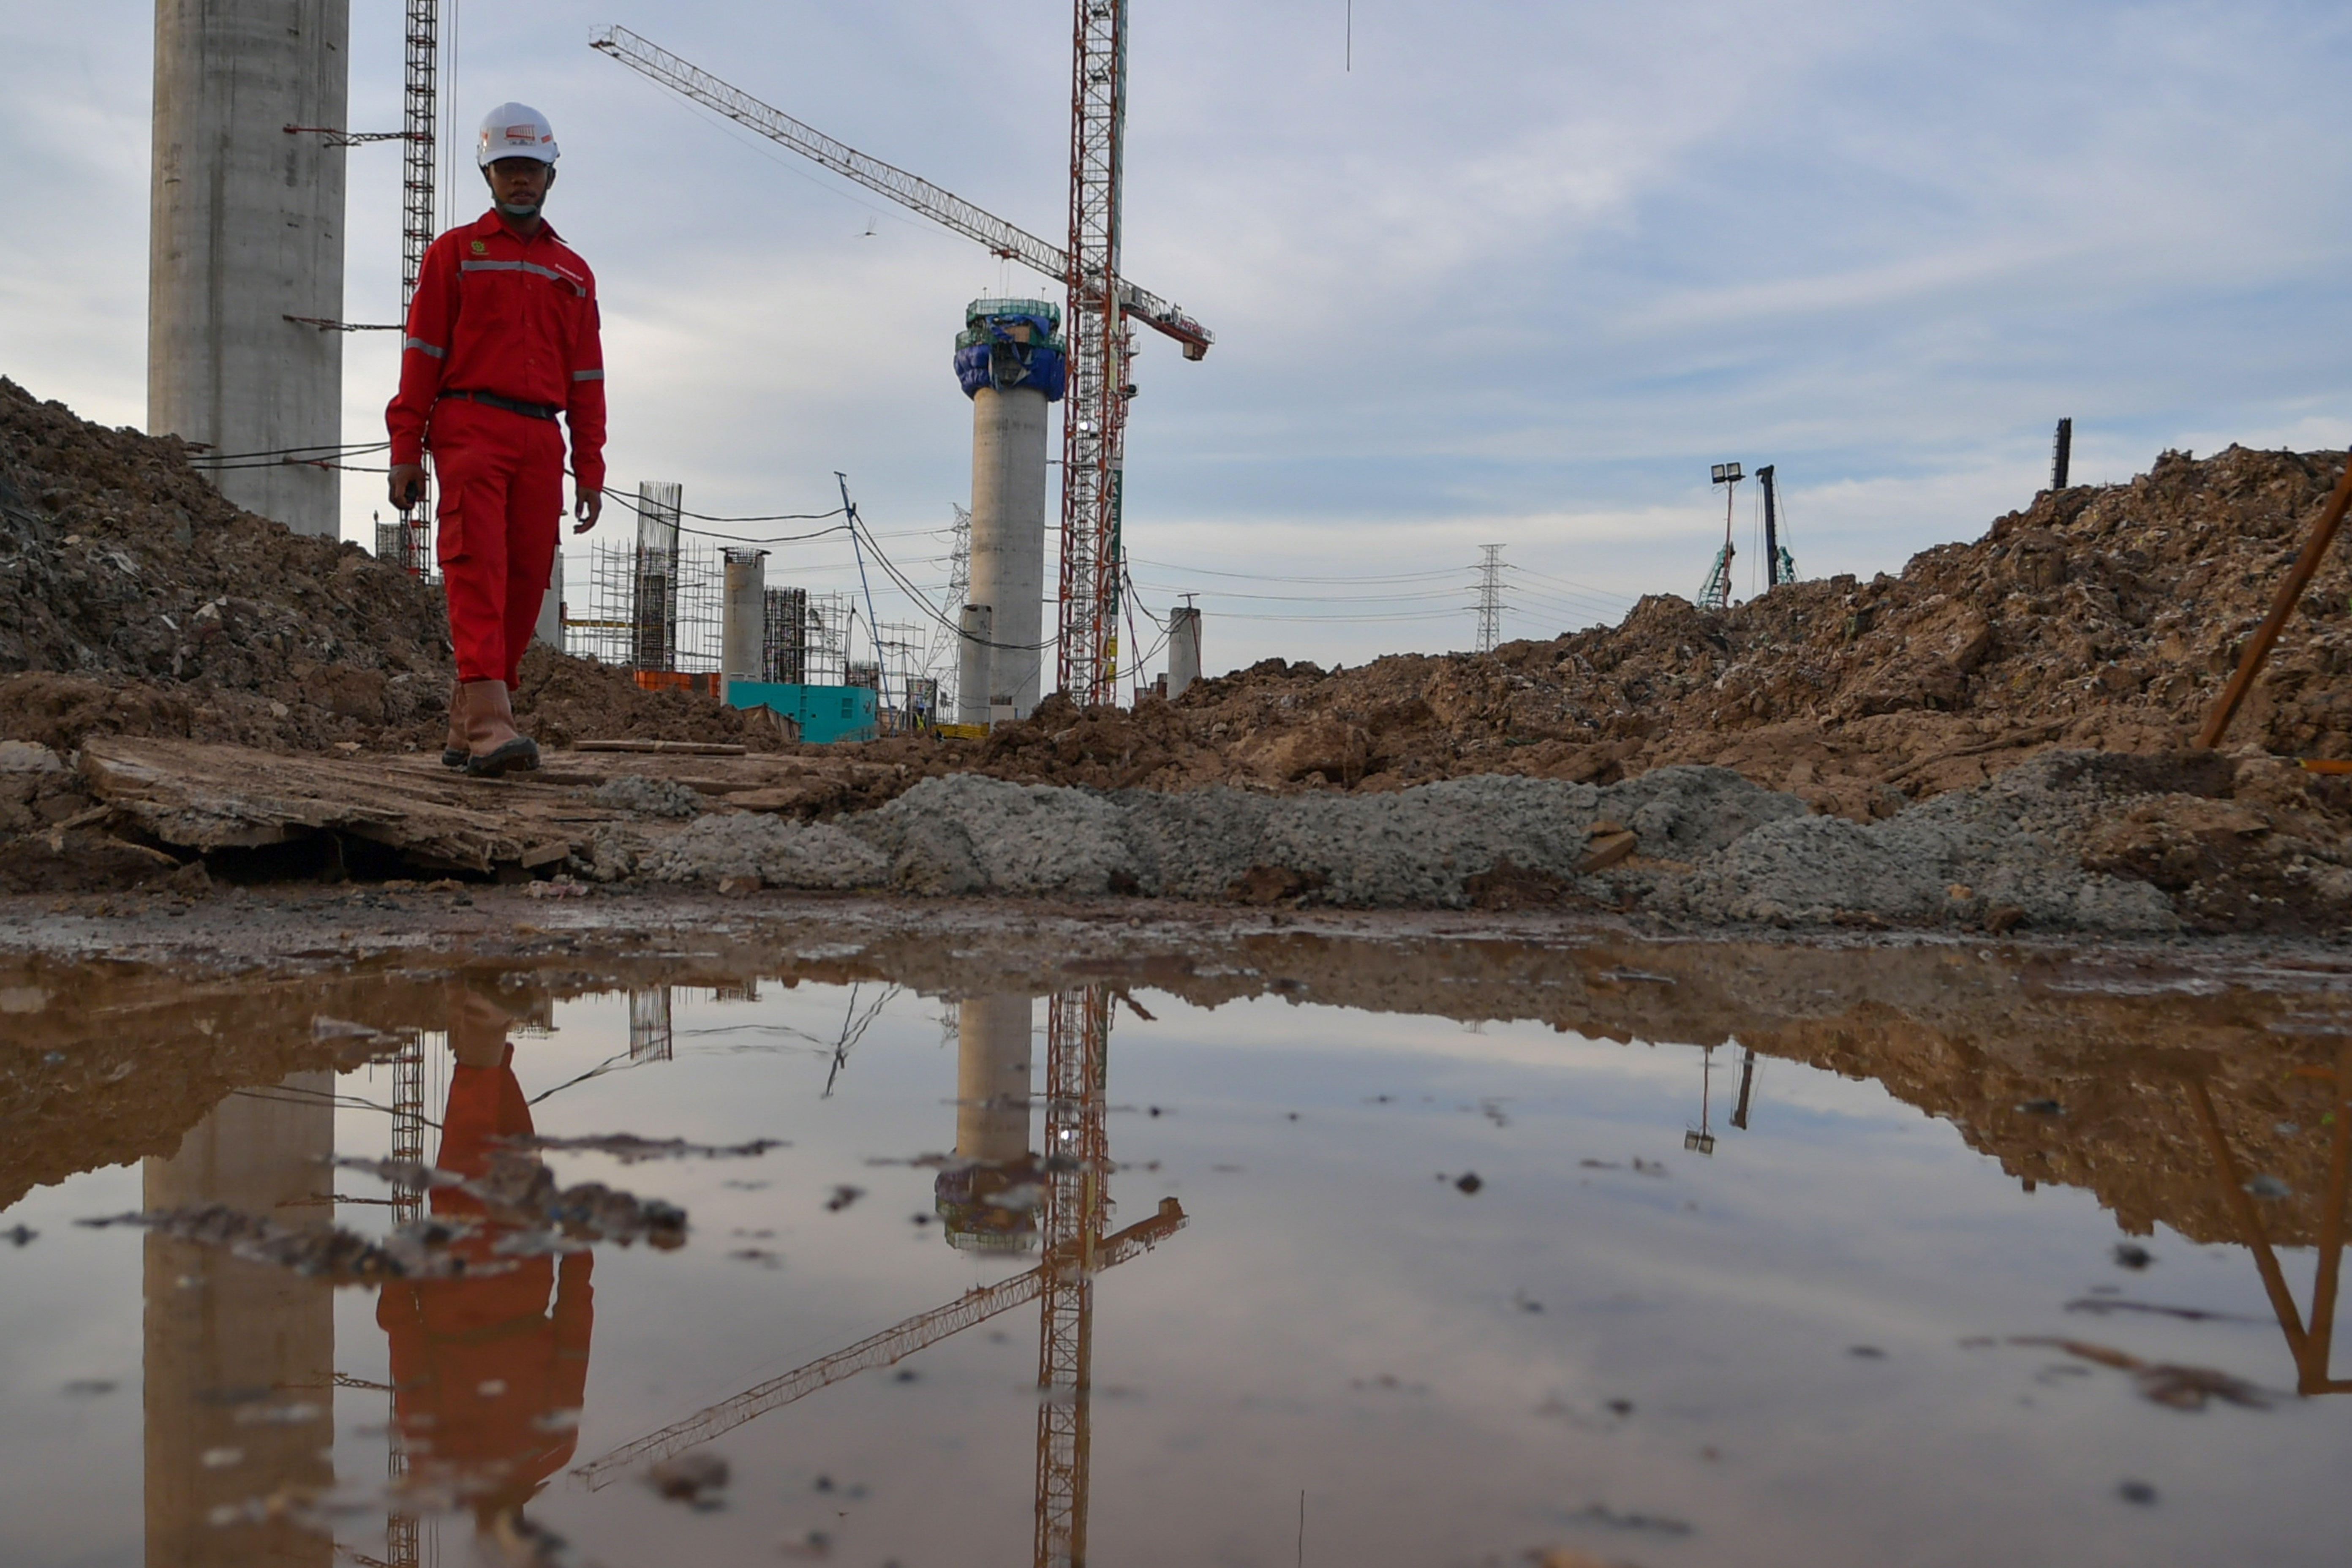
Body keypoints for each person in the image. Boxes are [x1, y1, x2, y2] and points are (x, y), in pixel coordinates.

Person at [387, 102, 606, 778]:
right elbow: (422, 353)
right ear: (488, 172)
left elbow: (588, 379)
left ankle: (468, 724)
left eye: (531, 169)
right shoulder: (454, 254)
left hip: (542, 440)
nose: (521, 181)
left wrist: (589, 468)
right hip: (469, 427)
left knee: (525, 581)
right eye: (509, 169)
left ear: (550, 176)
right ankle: (489, 725)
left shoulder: (573, 272)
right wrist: (404, 449)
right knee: (476, 568)